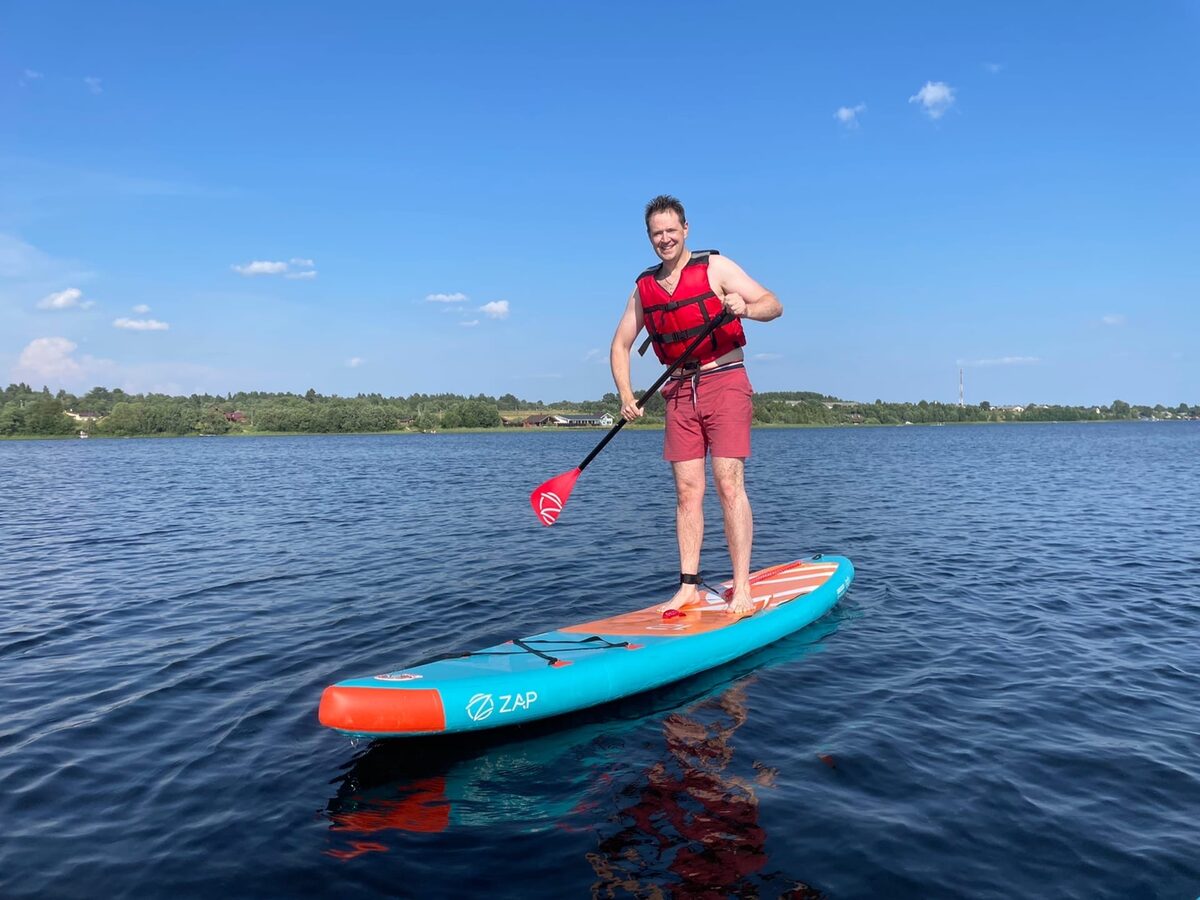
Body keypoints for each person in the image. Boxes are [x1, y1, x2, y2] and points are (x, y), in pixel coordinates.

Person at [610, 195, 782, 616]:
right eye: (656, 233)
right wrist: (626, 395)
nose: (664, 238)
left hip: (724, 382)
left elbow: (773, 305)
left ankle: (742, 588)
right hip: (678, 392)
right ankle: (688, 586)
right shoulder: (644, 288)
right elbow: (619, 346)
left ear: (685, 229)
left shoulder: (716, 268)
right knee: (687, 492)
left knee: (729, 484)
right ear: (649, 238)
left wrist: (747, 308)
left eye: (671, 230)